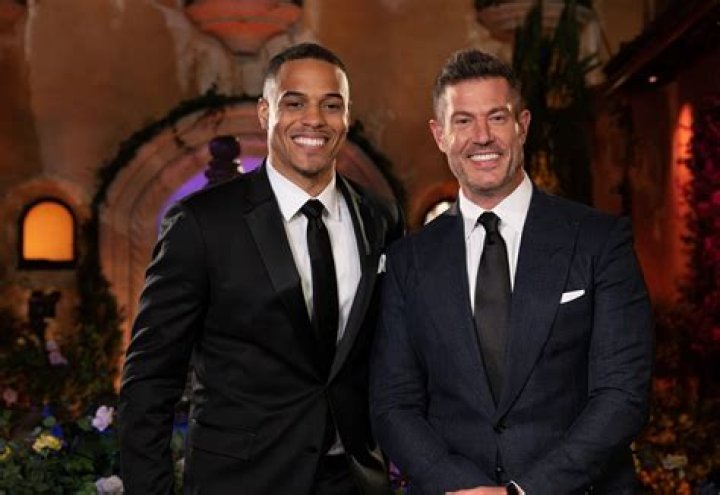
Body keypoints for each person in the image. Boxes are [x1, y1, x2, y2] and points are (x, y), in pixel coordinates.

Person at [119, 42, 402, 495]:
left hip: (355, 482)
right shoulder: (201, 223)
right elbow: (150, 379)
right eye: (295, 103)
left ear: (347, 117)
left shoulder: (380, 217)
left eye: (331, 105)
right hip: (241, 483)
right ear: (265, 112)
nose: (314, 119)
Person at [370, 49, 653, 495]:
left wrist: (524, 491)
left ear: (522, 124)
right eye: (463, 120)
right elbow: (393, 404)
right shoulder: (408, 261)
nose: (482, 136)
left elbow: (623, 394)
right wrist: (460, 486)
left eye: (497, 117)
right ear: (440, 135)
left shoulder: (600, 240)